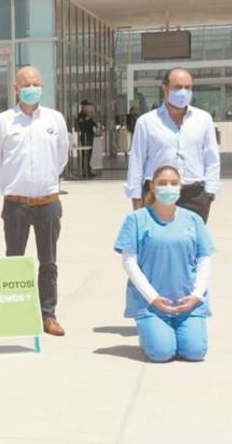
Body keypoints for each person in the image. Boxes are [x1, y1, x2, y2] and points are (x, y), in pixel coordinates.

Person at [0, 66, 70, 336]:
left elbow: (61, 157)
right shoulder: (3, 122)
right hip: (16, 204)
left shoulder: (55, 119)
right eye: (26, 84)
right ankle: (15, 315)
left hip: (47, 203)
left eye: (36, 83)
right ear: (16, 88)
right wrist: (16, 181)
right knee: (14, 261)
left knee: (48, 263)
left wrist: (43, 181)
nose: (32, 88)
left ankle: (48, 315)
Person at [113, 165, 214, 363]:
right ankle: (152, 332)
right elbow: (129, 262)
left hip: (187, 302)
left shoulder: (193, 220)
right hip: (151, 304)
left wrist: (195, 296)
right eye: (162, 183)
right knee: (161, 353)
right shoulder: (136, 219)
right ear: (152, 186)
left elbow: (204, 259)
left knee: (195, 352)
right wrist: (152, 298)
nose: (168, 188)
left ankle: (177, 329)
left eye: (174, 183)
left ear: (180, 186)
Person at [125, 67, 221, 222]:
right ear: (165, 89)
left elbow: (211, 158)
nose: (183, 92)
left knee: (190, 244)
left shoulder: (203, 119)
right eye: (178, 87)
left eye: (187, 87)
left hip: (194, 196)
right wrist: (136, 201)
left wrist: (209, 194)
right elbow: (136, 161)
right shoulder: (147, 122)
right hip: (156, 194)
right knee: (156, 243)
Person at [75, 101, 98, 178]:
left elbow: (93, 124)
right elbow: (83, 127)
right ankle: (85, 171)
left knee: (89, 154)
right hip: (85, 137)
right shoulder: (81, 116)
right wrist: (89, 120)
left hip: (90, 136)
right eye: (87, 107)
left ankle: (88, 169)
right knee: (85, 155)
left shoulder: (89, 116)